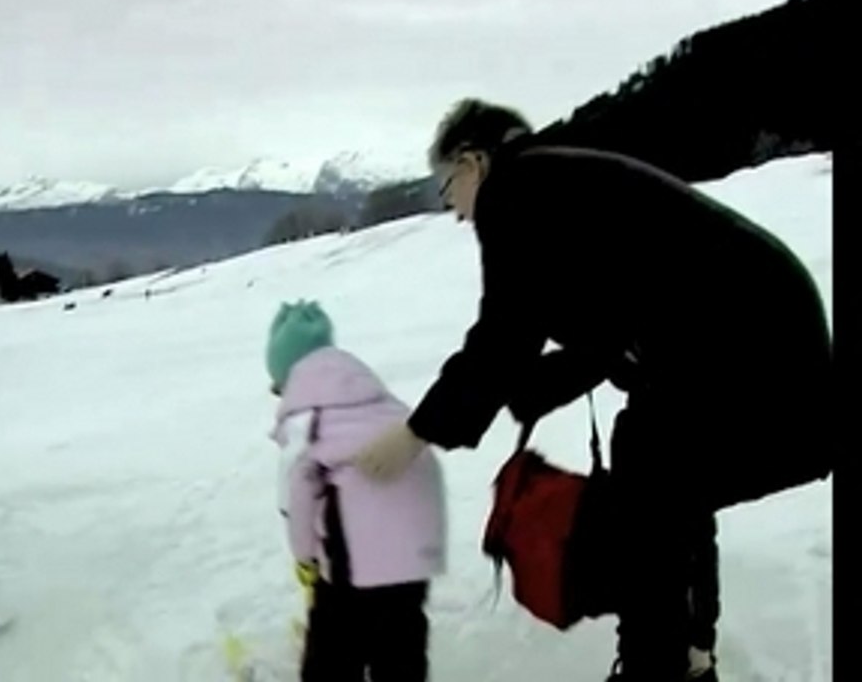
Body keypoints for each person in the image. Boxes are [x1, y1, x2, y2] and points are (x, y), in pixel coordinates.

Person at [354, 99, 832, 681]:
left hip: (760, 360)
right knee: (660, 468)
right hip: (771, 353)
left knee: (651, 474)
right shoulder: (561, 181)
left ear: (474, 162)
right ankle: (686, 655)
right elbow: (612, 326)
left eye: (446, 187)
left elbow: (504, 336)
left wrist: (414, 435)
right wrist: (530, 390)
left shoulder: (517, 191)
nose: (453, 210)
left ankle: (659, 666)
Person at [266, 300, 447, 682]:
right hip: (414, 550)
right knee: (401, 645)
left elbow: (297, 495)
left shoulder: (306, 418)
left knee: (334, 649)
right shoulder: (376, 399)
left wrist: (306, 559)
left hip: (355, 561)